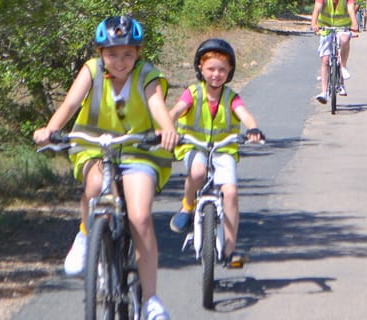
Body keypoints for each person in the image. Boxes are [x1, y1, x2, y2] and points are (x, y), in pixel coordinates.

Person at [32, 16, 178, 320]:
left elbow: (157, 107)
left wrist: (167, 129)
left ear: (138, 53)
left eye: (128, 53)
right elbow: (71, 103)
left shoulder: (147, 75)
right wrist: (50, 129)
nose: (120, 61)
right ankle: (87, 234)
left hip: (140, 150)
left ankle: (151, 299)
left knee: (139, 218)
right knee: (95, 186)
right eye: (112, 54)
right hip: (95, 147)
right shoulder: (91, 70)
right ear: (100, 53)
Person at [167, 38, 264, 268]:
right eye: (211, 69)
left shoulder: (231, 97)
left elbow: (246, 115)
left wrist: (252, 129)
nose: (216, 74)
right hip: (194, 146)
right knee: (198, 172)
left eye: (222, 69)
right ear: (200, 68)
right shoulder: (192, 93)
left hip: (223, 150)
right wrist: (167, 129)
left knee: (230, 193)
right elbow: (175, 112)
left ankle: (230, 249)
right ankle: (188, 205)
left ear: (230, 71)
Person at [311, 0, 359, 104]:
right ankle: (324, 92)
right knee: (325, 60)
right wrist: (314, 23)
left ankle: (343, 67)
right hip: (325, 27)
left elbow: (351, 9)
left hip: (343, 27)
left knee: (344, 40)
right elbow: (317, 9)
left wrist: (355, 24)